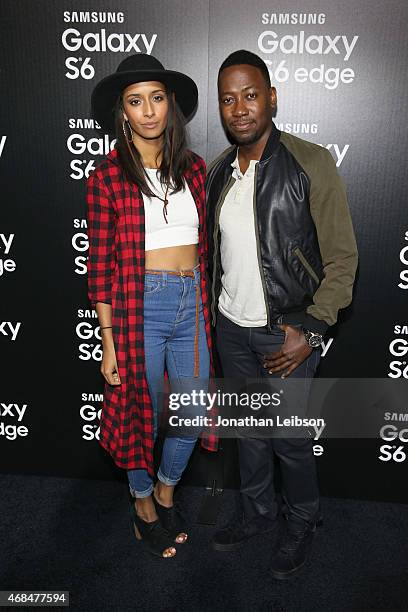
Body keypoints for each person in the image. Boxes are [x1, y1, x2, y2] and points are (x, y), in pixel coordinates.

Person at [206, 50, 358, 578]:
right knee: (248, 433)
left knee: (289, 438)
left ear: (272, 97)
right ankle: (257, 514)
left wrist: (312, 329)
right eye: (229, 99)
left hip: (285, 333)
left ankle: (302, 523)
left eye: (251, 95)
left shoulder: (310, 162)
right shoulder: (219, 171)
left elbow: (342, 258)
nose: (240, 108)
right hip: (232, 329)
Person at [87, 53, 215, 559]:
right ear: (123, 112)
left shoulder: (197, 170)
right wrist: (108, 339)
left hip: (192, 300)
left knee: (192, 408)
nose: (147, 111)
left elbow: (207, 250)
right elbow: (99, 267)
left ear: (171, 106)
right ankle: (143, 504)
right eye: (135, 101)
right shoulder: (107, 178)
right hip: (140, 304)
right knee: (141, 414)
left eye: (156, 99)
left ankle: (165, 490)